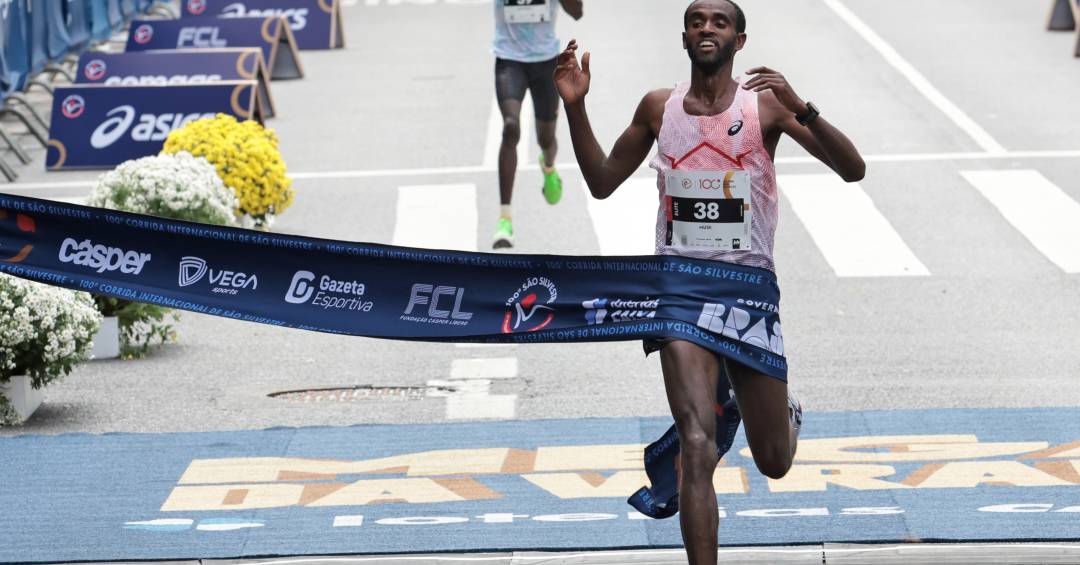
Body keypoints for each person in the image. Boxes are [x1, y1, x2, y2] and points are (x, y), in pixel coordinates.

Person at [553, 1, 866, 563]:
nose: (706, 28)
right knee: (695, 445)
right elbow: (601, 181)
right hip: (678, 287)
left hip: (746, 289)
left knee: (774, 462)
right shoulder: (659, 107)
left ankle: (783, 413)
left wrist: (802, 107)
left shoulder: (766, 107)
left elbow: (852, 168)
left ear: (738, 41)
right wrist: (575, 108)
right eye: (696, 21)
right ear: (684, 38)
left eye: (720, 22)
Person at [491, 0, 583, 249]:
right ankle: (504, 218)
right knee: (511, 127)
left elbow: (577, 12)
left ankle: (549, 166)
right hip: (509, 60)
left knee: (546, 139)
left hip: (546, 63)